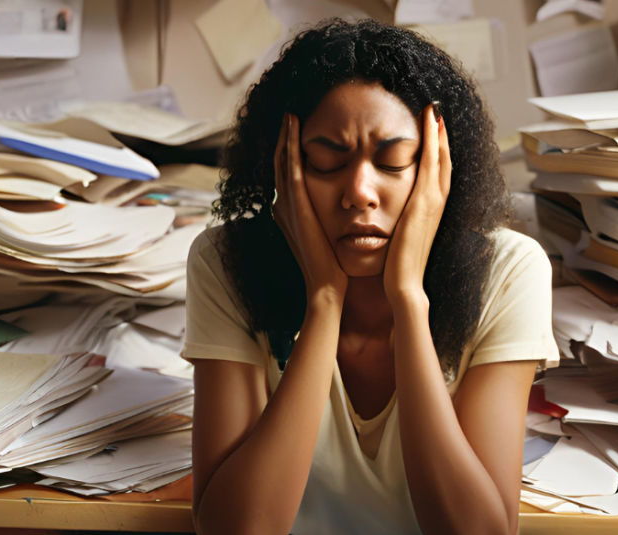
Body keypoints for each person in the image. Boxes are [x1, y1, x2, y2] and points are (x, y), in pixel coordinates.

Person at [182, 18, 558, 535]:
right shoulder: (225, 262)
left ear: (437, 169)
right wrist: (324, 303)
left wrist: (408, 299)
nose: (360, 191)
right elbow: (234, 528)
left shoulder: (510, 271)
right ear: (282, 167)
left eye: (394, 161)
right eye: (324, 162)